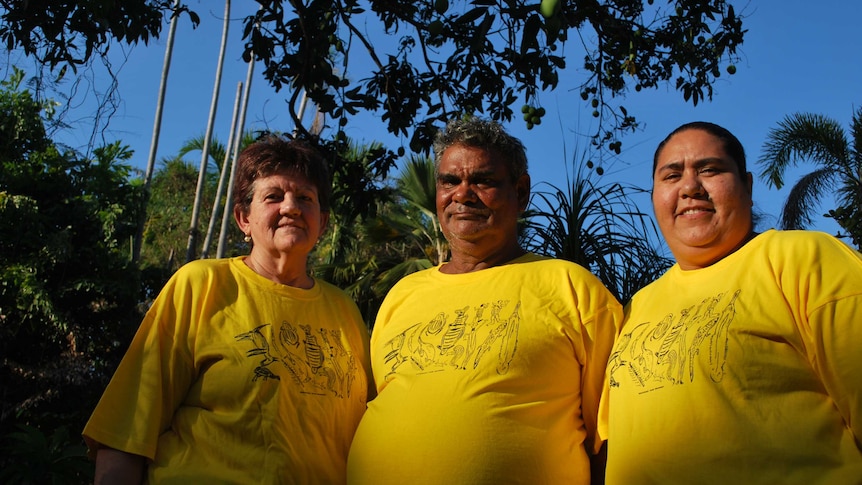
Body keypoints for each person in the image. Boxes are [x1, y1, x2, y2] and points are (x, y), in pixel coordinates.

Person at [346, 117, 622, 484]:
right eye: (450, 181)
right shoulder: (403, 294)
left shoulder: (572, 288)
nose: (463, 194)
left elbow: (612, 436)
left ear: (521, 193)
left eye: (483, 180)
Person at [83, 136, 373, 484]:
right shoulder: (201, 285)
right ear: (243, 219)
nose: (291, 207)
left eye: (305, 198)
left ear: (322, 223)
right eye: (274, 196)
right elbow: (126, 429)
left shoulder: (345, 312)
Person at [603, 121, 862, 484]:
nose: (690, 187)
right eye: (671, 176)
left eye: (710, 170)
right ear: (654, 196)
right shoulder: (634, 308)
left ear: (748, 186)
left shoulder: (803, 258)